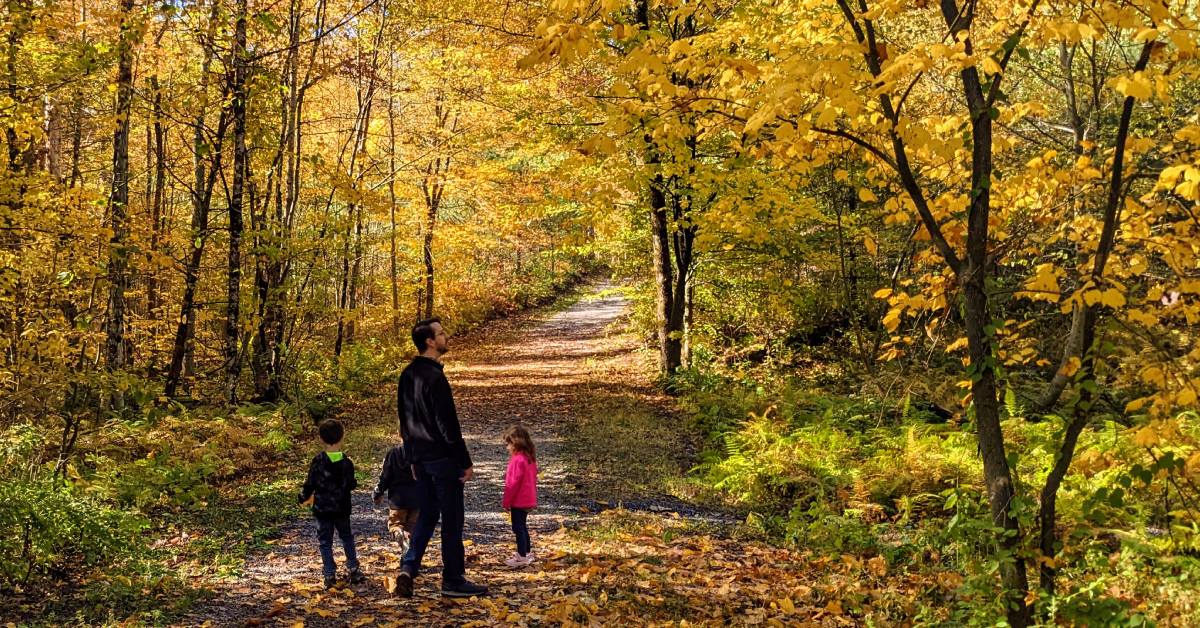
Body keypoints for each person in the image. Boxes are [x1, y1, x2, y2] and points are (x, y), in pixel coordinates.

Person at [395, 317, 487, 598]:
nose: (446, 337)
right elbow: (448, 426)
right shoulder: (435, 378)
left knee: (426, 516)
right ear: (430, 342)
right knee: (452, 520)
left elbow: (404, 422)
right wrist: (465, 462)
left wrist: (411, 459)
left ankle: (408, 567)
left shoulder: (407, 375)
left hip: (420, 460)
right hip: (442, 461)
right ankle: (453, 579)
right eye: (441, 334)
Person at [298, 418, 365, 589]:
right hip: (342, 508)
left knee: (325, 541)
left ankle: (329, 573)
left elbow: (310, 483)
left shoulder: (318, 461)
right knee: (346, 537)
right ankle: (353, 568)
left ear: (321, 439)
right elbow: (351, 484)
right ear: (342, 437)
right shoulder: (346, 462)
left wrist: (303, 496)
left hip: (322, 509)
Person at [373, 433, 420, 557]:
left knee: (395, 524)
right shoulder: (422, 453)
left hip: (397, 500)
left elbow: (385, 476)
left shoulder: (393, 454)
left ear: (399, 433)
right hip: (418, 499)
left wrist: (378, 492)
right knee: (413, 527)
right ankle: (410, 555)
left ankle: (399, 534)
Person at [501, 424, 539, 568]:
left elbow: (512, 483)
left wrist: (506, 502)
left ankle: (521, 555)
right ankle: (527, 552)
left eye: (509, 444)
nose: (507, 448)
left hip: (519, 500)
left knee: (518, 528)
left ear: (516, 443)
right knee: (523, 526)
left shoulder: (517, 460)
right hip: (528, 498)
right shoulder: (529, 457)